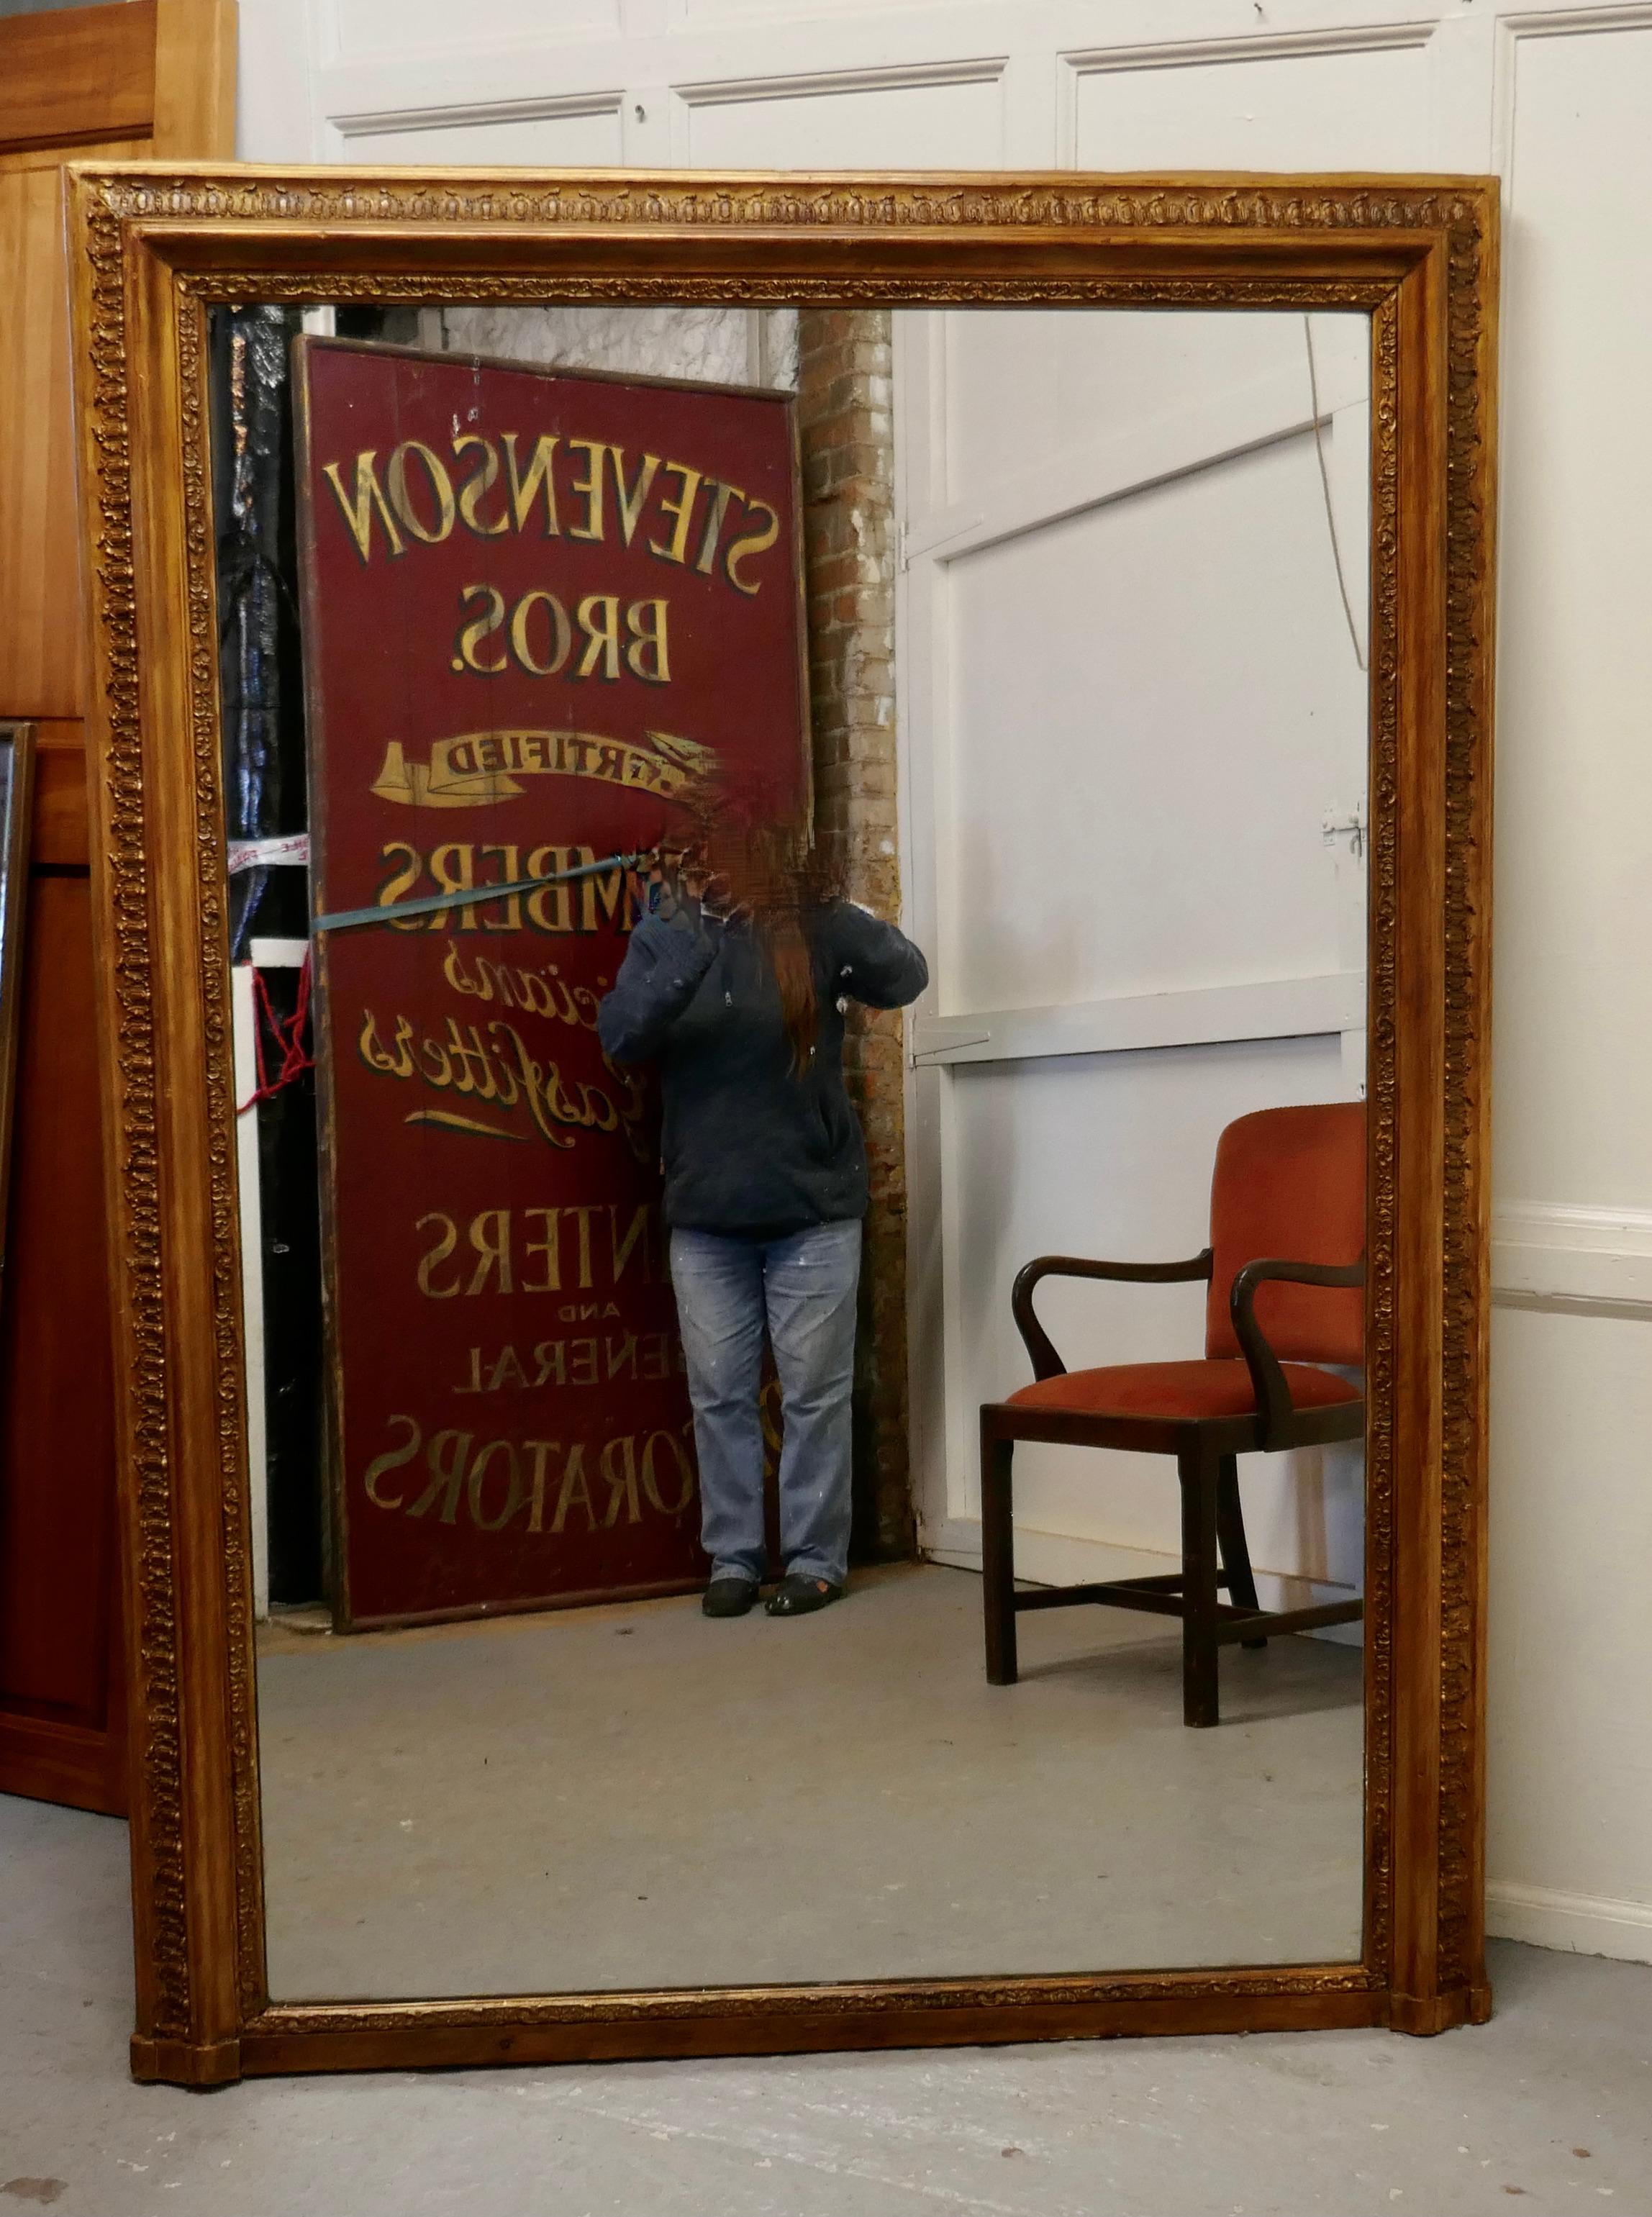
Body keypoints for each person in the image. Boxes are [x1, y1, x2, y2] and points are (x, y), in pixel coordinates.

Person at [596, 845, 927, 1619]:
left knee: (815, 1395)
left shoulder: (814, 928)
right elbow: (623, 1035)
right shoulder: (669, 932)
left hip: (809, 1207)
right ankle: (734, 1559)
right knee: (720, 1397)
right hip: (708, 1212)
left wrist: (831, 906)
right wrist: (699, 937)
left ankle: (816, 1560)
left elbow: (904, 977)